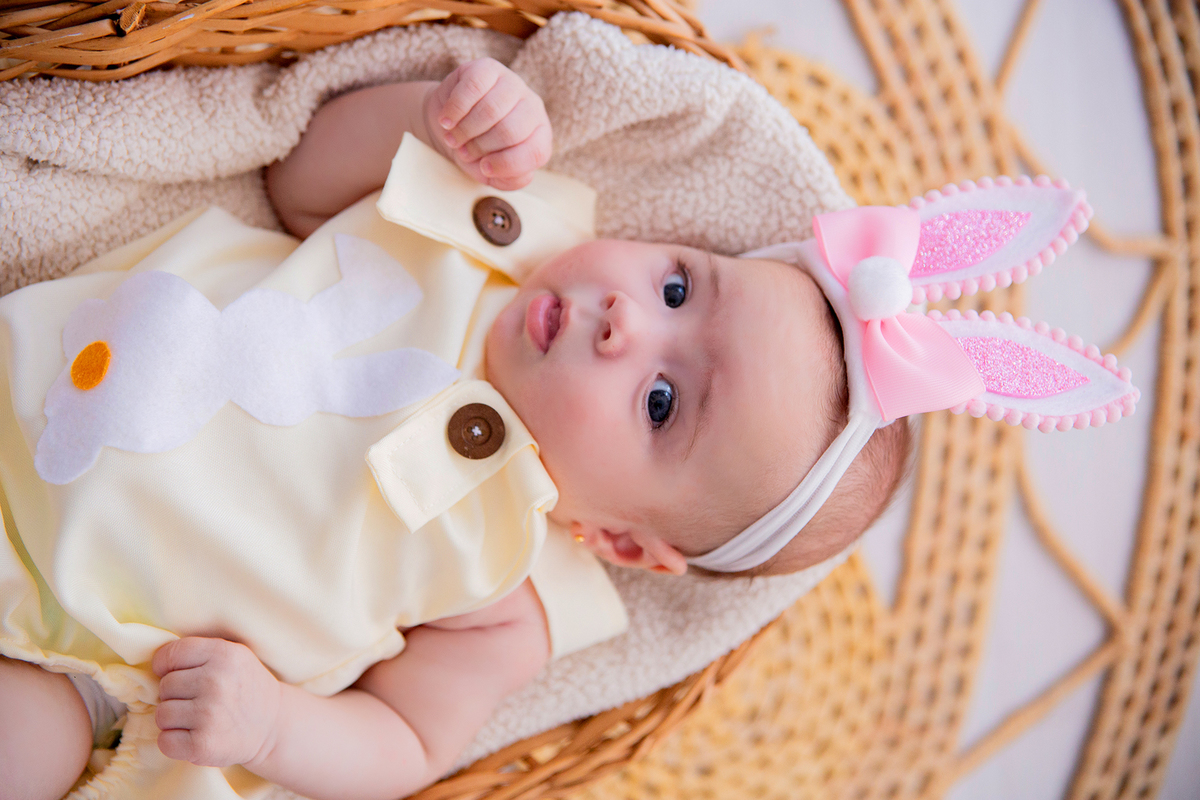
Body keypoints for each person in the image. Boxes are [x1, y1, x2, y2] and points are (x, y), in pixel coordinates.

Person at [0, 57, 918, 800]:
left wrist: (272, 724)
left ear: (624, 544)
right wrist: (438, 116)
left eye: (661, 402)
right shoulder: (493, 225)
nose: (627, 322)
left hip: (80, 650)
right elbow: (301, 178)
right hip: (25, 388)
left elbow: (403, 741)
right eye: (678, 286)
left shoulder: (514, 589)